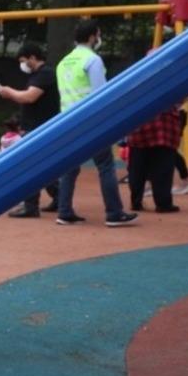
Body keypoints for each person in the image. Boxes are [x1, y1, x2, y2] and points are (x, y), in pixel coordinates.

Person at [54, 21, 137, 227]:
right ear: (92, 37)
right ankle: (114, 212)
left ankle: (64, 210)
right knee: (105, 165)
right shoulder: (92, 60)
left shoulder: (63, 62)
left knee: (69, 168)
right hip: (89, 121)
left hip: (67, 119)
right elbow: (101, 94)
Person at [0, 43, 61, 217]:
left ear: (33, 57)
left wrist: (9, 91)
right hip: (35, 127)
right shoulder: (38, 75)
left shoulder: (44, 74)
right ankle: (59, 198)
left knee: (30, 166)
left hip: (40, 128)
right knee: (44, 167)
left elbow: (29, 97)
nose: (23, 65)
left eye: (24, 61)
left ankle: (31, 206)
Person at [126, 105, 182, 213]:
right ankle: (163, 203)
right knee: (162, 168)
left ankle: (136, 201)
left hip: (139, 126)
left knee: (136, 168)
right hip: (164, 126)